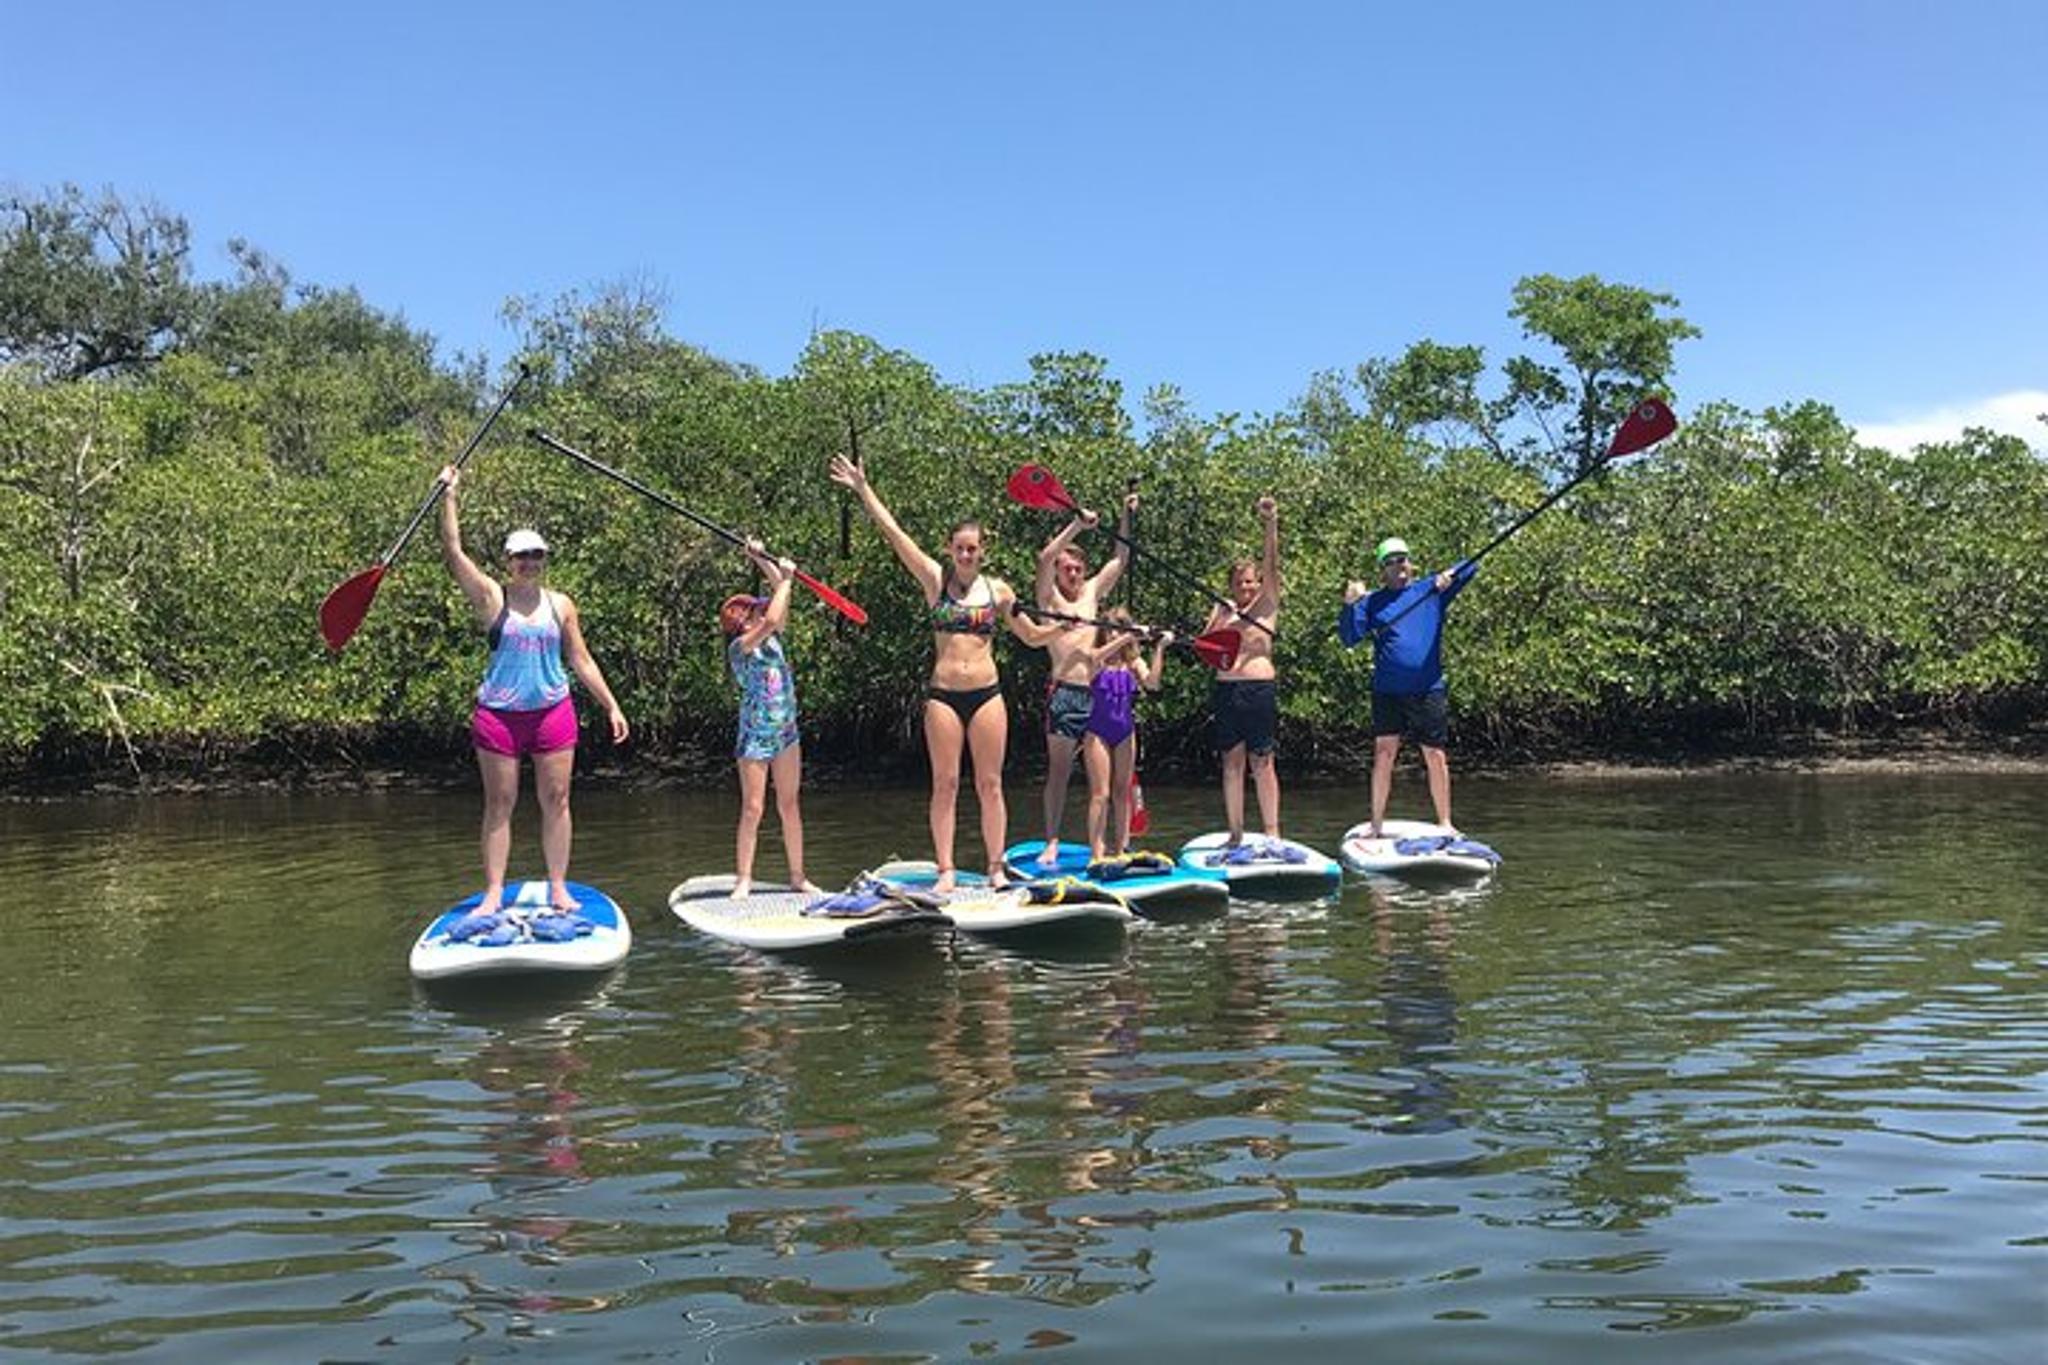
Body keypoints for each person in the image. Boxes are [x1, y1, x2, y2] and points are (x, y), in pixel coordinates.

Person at [829, 454, 1054, 892]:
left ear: (982, 551)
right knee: (945, 784)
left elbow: (1030, 635)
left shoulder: (999, 591)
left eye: (973, 548)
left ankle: (995, 868)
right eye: (960, 547)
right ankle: (946, 870)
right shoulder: (935, 581)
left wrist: (1060, 630)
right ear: (950, 549)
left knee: (990, 784)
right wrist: (862, 488)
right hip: (944, 697)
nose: (966, 554)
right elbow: (894, 533)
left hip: (987, 695)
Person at [436, 465, 628, 913]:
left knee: (557, 800)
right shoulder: (492, 598)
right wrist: (449, 496)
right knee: (500, 802)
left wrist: (611, 706)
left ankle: (559, 887)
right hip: (499, 716)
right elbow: (453, 551)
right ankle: (493, 893)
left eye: (536, 555)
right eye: (522, 556)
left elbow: (580, 659)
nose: (529, 562)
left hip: (551, 712)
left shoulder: (561, 605)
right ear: (509, 561)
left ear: (544, 560)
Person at [1337, 536, 1477, 837]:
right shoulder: (1371, 602)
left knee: (1434, 753)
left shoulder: (1430, 590)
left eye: (1401, 559)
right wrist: (1349, 604)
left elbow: (1472, 565)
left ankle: (1445, 822)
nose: (1397, 565)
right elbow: (1349, 637)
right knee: (1384, 753)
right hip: (1387, 690)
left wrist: (1448, 575)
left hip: (1428, 688)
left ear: (1409, 563)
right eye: (1390, 562)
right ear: (1382, 569)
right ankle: (1376, 824)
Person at [1031, 492, 1135, 866]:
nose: (1072, 575)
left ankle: (1111, 847)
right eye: (1066, 569)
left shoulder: (1092, 592)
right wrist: (1077, 524)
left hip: (1098, 695)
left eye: (1077, 569)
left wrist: (1125, 513)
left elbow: (1120, 558)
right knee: (1059, 771)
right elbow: (1044, 558)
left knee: (1104, 786)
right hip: (1065, 693)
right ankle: (1052, 840)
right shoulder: (1049, 600)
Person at [722, 541, 819, 898]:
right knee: (753, 808)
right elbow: (775, 612)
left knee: (790, 804)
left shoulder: (773, 638)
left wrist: (761, 558)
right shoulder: (741, 647)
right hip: (755, 736)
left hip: (786, 732)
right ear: (744, 622)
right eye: (756, 612)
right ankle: (744, 879)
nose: (764, 613)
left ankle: (797, 876)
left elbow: (779, 603)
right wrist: (787, 580)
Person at [1201, 495, 1281, 845]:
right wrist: (1221, 616)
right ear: (1231, 586)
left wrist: (1270, 523)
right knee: (1231, 763)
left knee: (1262, 761)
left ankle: (1272, 831)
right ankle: (1235, 833)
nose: (1246, 587)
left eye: (1250, 581)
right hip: (1227, 690)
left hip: (1258, 690)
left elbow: (1272, 564)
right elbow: (1204, 647)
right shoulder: (1222, 610)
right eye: (1240, 582)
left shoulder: (1266, 605)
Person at [1080, 608, 1171, 860]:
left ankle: (1121, 849)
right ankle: (1097, 852)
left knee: (1122, 792)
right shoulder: (1096, 659)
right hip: (1097, 732)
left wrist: (1160, 648)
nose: (1113, 635)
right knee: (1100, 794)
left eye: (1118, 629)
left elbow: (1152, 683)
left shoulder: (1133, 663)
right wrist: (1128, 636)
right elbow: (1094, 657)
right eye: (1110, 630)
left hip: (1125, 732)